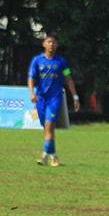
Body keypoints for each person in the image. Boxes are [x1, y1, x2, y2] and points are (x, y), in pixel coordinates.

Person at [28, 35, 80, 166]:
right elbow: (31, 78)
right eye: (49, 42)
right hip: (40, 98)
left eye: (54, 42)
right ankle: (54, 155)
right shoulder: (36, 60)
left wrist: (75, 97)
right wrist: (31, 93)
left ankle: (44, 156)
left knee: (49, 126)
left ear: (57, 45)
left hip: (55, 98)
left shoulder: (62, 62)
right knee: (46, 127)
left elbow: (68, 79)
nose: (51, 44)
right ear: (44, 44)